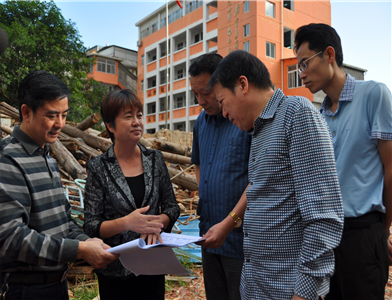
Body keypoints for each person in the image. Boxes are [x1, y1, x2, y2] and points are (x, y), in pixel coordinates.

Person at [209, 49, 344, 300]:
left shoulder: (296, 114)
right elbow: (261, 189)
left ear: (242, 85)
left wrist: (303, 293)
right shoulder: (259, 131)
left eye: (223, 102)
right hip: (256, 285)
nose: (224, 113)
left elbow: (324, 217)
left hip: (285, 289)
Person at [0, 70, 119, 300]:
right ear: (26, 112)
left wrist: (86, 241)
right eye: (52, 116)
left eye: (64, 115)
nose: (60, 124)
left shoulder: (48, 159)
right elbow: (11, 239)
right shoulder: (7, 160)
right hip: (26, 290)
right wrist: (78, 250)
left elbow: (64, 222)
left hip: (55, 286)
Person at [294, 23, 392, 300]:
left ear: (329, 54)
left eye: (304, 63)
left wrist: (382, 230)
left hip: (363, 232)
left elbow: (391, 168)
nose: (301, 74)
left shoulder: (374, 95)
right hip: (326, 238)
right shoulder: (319, 118)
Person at [83, 89, 180, 300]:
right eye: (128, 116)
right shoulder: (99, 168)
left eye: (139, 115)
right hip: (115, 273)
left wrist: (156, 223)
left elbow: (172, 207)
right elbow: (91, 225)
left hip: (153, 266)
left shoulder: (155, 160)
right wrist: (127, 223)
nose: (137, 122)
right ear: (110, 125)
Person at [189, 53, 250, 300]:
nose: (200, 100)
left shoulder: (244, 120)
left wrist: (231, 218)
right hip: (209, 233)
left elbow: (257, 178)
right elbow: (198, 164)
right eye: (195, 94)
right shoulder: (200, 123)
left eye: (206, 92)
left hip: (240, 239)